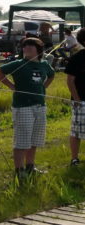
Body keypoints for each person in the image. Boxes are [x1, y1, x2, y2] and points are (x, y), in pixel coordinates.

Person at [0, 38, 55, 179]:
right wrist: (11, 86)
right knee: (22, 140)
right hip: (22, 106)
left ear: (38, 49)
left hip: (40, 105)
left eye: (30, 46)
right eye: (24, 46)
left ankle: (30, 166)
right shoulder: (19, 64)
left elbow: (52, 75)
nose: (26, 48)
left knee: (35, 139)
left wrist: (44, 87)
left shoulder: (44, 65)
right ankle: (19, 170)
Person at [65, 28, 85, 166]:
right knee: (76, 131)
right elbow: (70, 81)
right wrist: (77, 99)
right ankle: (74, 158)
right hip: (81, 100)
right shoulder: (77, 58)